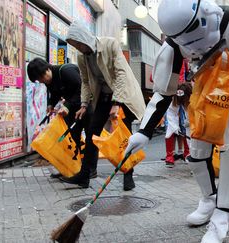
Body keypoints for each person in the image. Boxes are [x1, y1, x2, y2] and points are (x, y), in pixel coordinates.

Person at [125, 1, 229, 242]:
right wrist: (144, 131)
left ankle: (224, 213)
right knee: (198, 153)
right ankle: (209, 199)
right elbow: (163, 92)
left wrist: (220, 65)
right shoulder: (173, 45)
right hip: (204, 97)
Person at [64, 22, 146, 190]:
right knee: (92, 133)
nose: (78, 48)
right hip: (104, 96)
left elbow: (121, 73)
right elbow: (86, 82)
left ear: (84, 38)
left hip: (123, 94)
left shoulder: (110, 44)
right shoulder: (82, 57)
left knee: (124, 136)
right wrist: (84, 104)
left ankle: (128, 176)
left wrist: (117, 103)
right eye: (74, 46)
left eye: (77, 43)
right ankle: (84, 176)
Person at [27, 58, 84, 179]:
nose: (42, 81)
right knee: (69, 139)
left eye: (42, 77)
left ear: (47, 69)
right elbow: (54, 94)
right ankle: (70, 168)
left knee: (90, 137)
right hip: (72, 108)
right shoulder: (49, 81)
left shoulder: (67, 72)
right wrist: (50, 105)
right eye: (39, 80)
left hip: (86, 106)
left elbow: (81, 91)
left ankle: (88, 171)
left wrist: (67, 106)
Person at [165, 82, 192, 167]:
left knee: (190, 133)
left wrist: (190, 122)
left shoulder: (194, 97)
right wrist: (175, 127)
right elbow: (171, 113)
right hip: (178, 113)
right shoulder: (175, 98)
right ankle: (170, 156)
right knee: (170, 130)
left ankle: (189, 154)